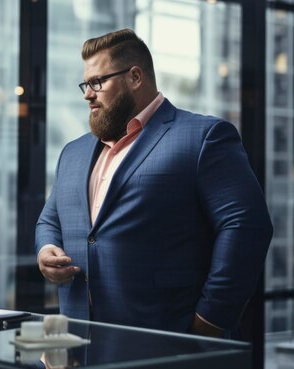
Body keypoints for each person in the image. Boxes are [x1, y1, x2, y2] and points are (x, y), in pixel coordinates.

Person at [35, 29, 273, 337]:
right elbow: (49, 220)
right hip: (77, 341)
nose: (87, 94)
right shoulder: (74, 152)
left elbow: (246, 227)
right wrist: (48, 249)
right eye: (86, 83)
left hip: (167, 340)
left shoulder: (204, 137)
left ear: (135, 77)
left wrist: (210, 322)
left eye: (98, 82)